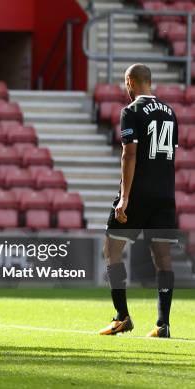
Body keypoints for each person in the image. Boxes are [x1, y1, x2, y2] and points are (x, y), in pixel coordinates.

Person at [99, 63, 178, 338]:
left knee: (111, 250)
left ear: (131, 81)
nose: (125, 87)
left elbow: (129, 155)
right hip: (166, 194)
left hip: (139, 194)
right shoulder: (170, 113)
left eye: (125, 82)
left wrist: (125, 197)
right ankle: (162, 324)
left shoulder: (130, 111)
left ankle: (122, 317)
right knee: (163, 259)